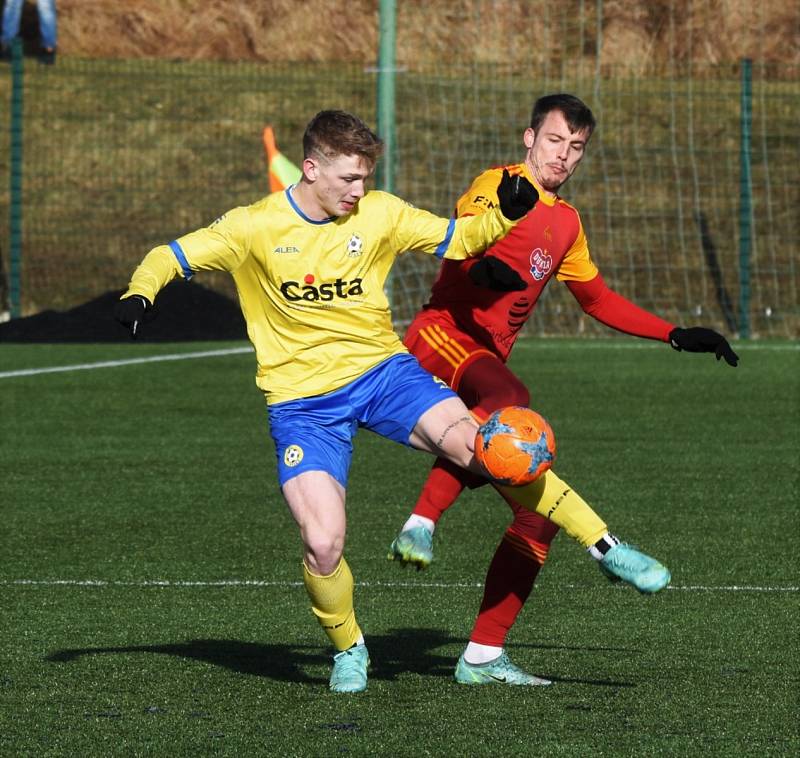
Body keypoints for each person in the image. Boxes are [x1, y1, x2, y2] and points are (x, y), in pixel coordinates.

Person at [114, 109, 666, 695]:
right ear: (311, 169)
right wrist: (139, 294)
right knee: (323, 541)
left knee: (488, 446)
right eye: (349, 179)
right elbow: (169, 256)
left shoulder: (379, 211)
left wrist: (504, 211)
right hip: (303, 404)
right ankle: (350, 648)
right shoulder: (253, 227)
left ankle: (605, 546)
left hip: (383, 374)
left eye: (365, 178)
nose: (360, 191)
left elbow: (459, 240)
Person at [388, 93, 738, 687]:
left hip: (487, 364)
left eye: (576, 148)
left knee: (536, 519)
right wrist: (479, 271)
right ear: (529, 138)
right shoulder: (496, 183)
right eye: (555, 141)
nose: (564, 155)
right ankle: (420, 521)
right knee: (511, 402)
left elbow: (596, 299)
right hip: (441, 338)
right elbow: (471, 233)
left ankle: (481, 656)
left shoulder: (568, 222)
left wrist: (674, 334)